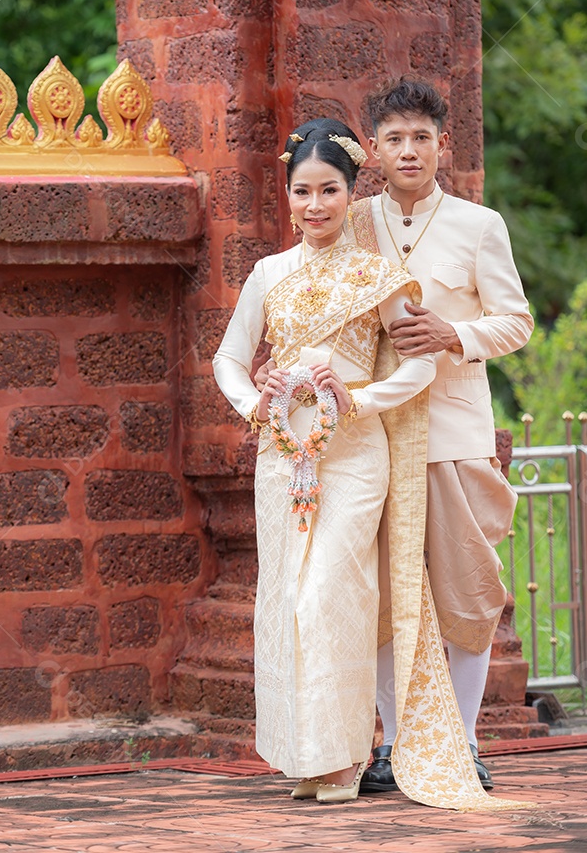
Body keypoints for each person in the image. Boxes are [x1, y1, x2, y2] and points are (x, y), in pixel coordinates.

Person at [213, 117, 442, 803]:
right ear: (285, 196)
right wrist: (257, 400)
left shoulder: (381, 278)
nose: (315, 206)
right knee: (285, 599)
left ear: (351, 194)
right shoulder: (267, 273)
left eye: (329, 191)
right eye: (302, 192)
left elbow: (420, 366)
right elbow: (228, 358)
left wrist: (361, 399)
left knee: (329, 597)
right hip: (283, 456)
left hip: (352, 455)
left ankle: (346, 754)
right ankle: (307, 758)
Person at [344, 76, 533, 794]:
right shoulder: (353, 222)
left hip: (453, 432)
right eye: (393, 139)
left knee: (466, 594)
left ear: (441, 145)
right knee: (384, 600)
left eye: (420, 137)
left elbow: (514, 321)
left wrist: (455, 334)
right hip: (370, 434)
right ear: (372, 150)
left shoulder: (477, 226)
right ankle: (395, 747)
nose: (408, 150)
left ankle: (462, 742)